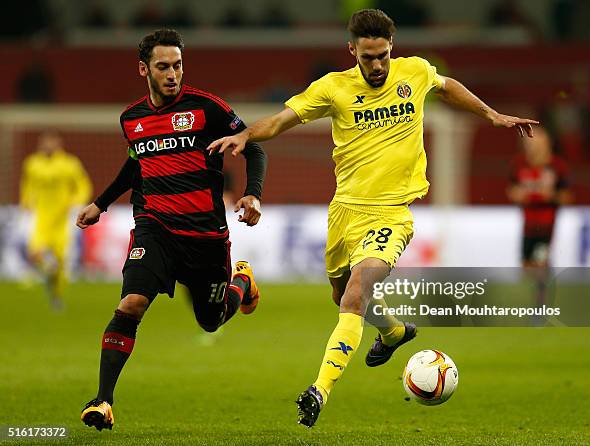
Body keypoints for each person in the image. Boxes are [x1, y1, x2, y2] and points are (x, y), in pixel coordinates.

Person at [207, 9, 538, 427]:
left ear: (391, 48)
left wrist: (490, 115)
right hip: (344, 210)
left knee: (356, 293)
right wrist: (246, 134)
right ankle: (395, 332)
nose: (377, 65)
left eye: (382, 55)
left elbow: (446, 86)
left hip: (392, 213)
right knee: (341, 296)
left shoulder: (413, 72)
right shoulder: (333, 87)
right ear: (352, 51)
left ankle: (319, 391)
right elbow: (281, 119)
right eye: (368, 57)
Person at [76, 29, 267, 431]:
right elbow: (135, 164)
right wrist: (101, 203)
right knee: (130, 305)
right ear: (144, 69)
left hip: (206, 239)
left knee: (210, 321)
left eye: (178, 65)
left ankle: (241, 285)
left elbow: (253, 146)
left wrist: (252, 194)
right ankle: (103, 401)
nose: (172, 74)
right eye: (163, 66)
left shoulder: (207, 109)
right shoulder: (132, 119)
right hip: (155, 229)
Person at [20, 130, 92, 309]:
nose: (47, 145)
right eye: (44, 142)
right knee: (35, 253)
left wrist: (76, 202)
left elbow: (83, 185)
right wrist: (26, 201)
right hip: (42, 219)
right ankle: (47, 268)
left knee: (61, 261)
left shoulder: (69, 164)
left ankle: (56, 296)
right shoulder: (32, 163)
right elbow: (27, 184)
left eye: (51, 142)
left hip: (61, 221)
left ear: (58, 143)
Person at [507, 127, 571, 312]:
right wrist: (518, 195)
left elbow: (567, 196)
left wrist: (550, 196)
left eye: (535, 142)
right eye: (528, 143)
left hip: (546, 225)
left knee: (540, 264)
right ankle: (537, 298)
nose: (531, 146)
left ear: (546, 144)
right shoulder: (519, 164)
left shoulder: (557, 166)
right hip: (527, 225)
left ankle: (540, 308)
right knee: (527, 268)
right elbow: (511, 189)